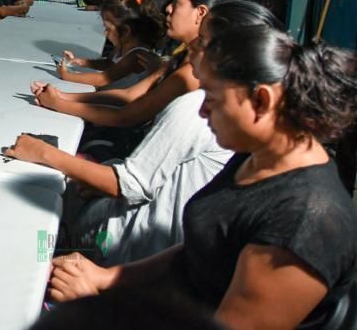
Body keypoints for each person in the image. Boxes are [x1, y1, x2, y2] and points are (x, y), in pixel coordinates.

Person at [46, 21, 357, 330]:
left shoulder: (305, 222)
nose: (203, 111)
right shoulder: (256, 155)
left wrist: (106, 306)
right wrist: (107, 278)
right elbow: (202, 246)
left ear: (261, 101)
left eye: (212, 97)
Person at [34, 0, 239, 133]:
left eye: (177, 3)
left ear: (200, 13)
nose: (168, 8)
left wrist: (59, 102)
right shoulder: (182, 57)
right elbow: (128, 96)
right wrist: (61, 96)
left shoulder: (190, 72)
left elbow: (124, 114)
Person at [57, 0, 165, 90]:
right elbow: (108, 63)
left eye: (108, 29)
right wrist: (81, 62)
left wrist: (67, 75)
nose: (105, 33)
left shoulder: (137, 56)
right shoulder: (122, 46)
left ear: (126, 31)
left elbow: (102, 79)